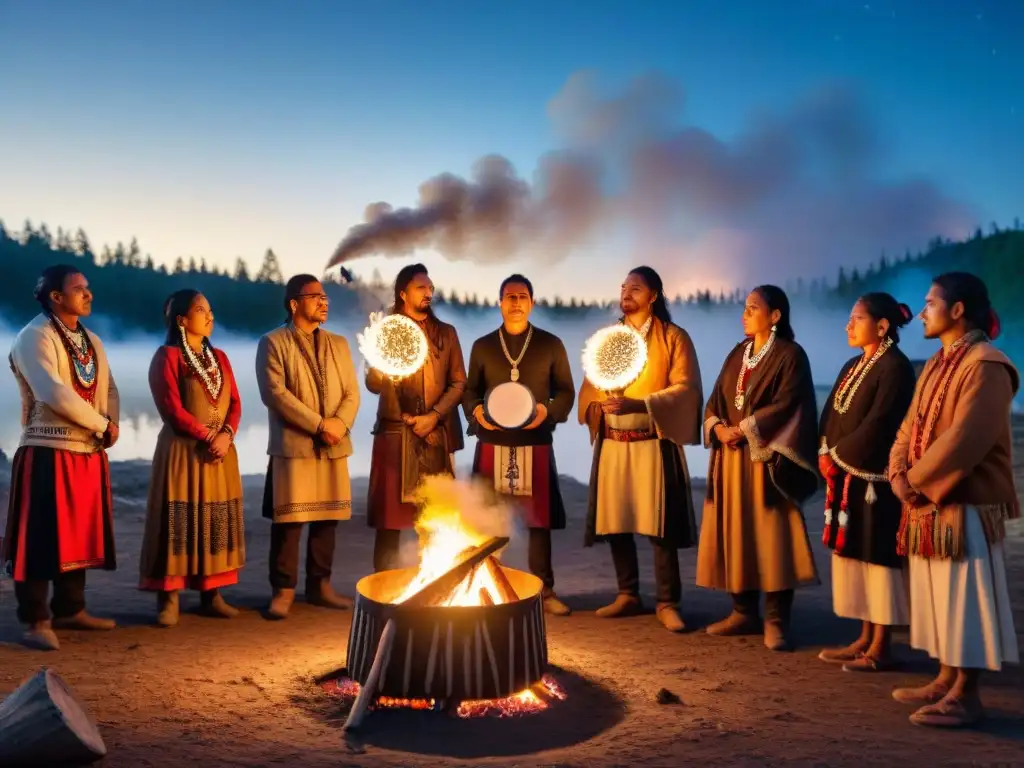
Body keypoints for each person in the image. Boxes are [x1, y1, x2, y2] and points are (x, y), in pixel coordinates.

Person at [888, 272, 1019, 727]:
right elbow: (909, 425)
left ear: (957, 309)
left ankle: (967, 694)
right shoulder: (938, 363)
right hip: (929, 501)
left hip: (962, 503)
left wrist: (915, 481)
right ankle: (946, 677)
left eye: (929, 303)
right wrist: (897, 472)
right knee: (938, 595)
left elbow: (967, 439)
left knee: (965, 596)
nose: (922, 312)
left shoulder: (986, 363)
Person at [577, 266, 703, 633]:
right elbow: (589, 388)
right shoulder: (609, 339)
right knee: (617, 519)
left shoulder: (673, 338)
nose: (626, 293)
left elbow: (687, 389)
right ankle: (627, 593)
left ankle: (667, 601)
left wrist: (639, 405)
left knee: (658, 523)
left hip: (652, 441)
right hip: (614, 442)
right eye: (623, 287)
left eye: (635, 288)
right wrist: (597, 406)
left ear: (653, 296)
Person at [2, 265, 119, 651]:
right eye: (79, 289)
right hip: (47, 449)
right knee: (40, 536)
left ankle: (71, 607)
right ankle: (35, 620)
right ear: (55, 296)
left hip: (87, 450)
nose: (88, 294)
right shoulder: (34, 336)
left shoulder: (92, 340)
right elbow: (52, 392)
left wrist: (111, 422)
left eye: (88, 288)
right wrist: (100, 424)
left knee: (79, 533)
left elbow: (109, 386)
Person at [697, 284, 820, 651]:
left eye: (753, 308)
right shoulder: (739, 353)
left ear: (775, 315)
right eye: (745, 308)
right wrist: (718, 427)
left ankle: (777, 620)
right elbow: (717, 398)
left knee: (774, 537)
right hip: (731, 462)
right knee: (737, 533)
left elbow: (789, 404)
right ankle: (742, 611)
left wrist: (746, 428)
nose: (745, 314)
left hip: (767, 462)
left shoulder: (790, 355)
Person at [463, 274, 576, 616]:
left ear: (532, 303)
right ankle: (481, 585)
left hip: (534, 441)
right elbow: (469, 390)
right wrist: (477, 411)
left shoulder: (551, 344)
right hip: (492, 441)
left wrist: (547, 410)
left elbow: (566, 391)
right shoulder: (483, 346)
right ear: (500, 303)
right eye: (509, 296)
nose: (515, 302)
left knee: (538, 522)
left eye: (522, 296)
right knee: (484, 518)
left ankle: (544, 589)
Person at [817, 293, 916, 670]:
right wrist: (825, 450)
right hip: (845, 478)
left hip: (874, 480)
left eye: (856, 318)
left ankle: (881, 646)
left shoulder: (896, 368)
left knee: (877, 558)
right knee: (854, 555)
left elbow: (881, 423)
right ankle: (862, 637)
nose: (848, 325)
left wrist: (839, 457)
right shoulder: (852, 364)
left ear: (882, 325)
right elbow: (830, 415)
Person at [138, 290, 246, 627]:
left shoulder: (222, 358)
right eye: (202, 311)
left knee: (214, 521)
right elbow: (171, 409)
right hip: (184, 452)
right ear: (182, 320)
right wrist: (208, 436)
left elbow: (236, 403)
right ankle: (168, 598)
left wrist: (227, 434)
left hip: (220, 452)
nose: (210, 316)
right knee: (178, 519)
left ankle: (211, 594)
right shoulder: (167, 356)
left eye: (211, 310)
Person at [256, 275, 360, 619]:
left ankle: (320, 586)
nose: (324, 302)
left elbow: (351, 393)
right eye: (316, 297)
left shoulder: (340, 343)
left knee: (327, 518)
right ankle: (282, 590)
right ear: (294, 303)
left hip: (334, 443)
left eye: (325, 297)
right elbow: (275, 394)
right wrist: (318, 425)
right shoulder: (271, 342)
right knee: (290, 520)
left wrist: (339, 425)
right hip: (295, 445)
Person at [366, 263, 467, 571]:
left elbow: (459, 382)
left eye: (430, 288)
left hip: (435, 434)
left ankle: (436, 582)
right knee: (390, 521)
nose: (429, 293)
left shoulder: (446, 333)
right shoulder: (386, 331)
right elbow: (372, 385)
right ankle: (382, 589)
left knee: (436, 517)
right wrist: (382, 369)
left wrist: (434, 416)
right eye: (421, 287)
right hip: (395, 433)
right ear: (403, 293)